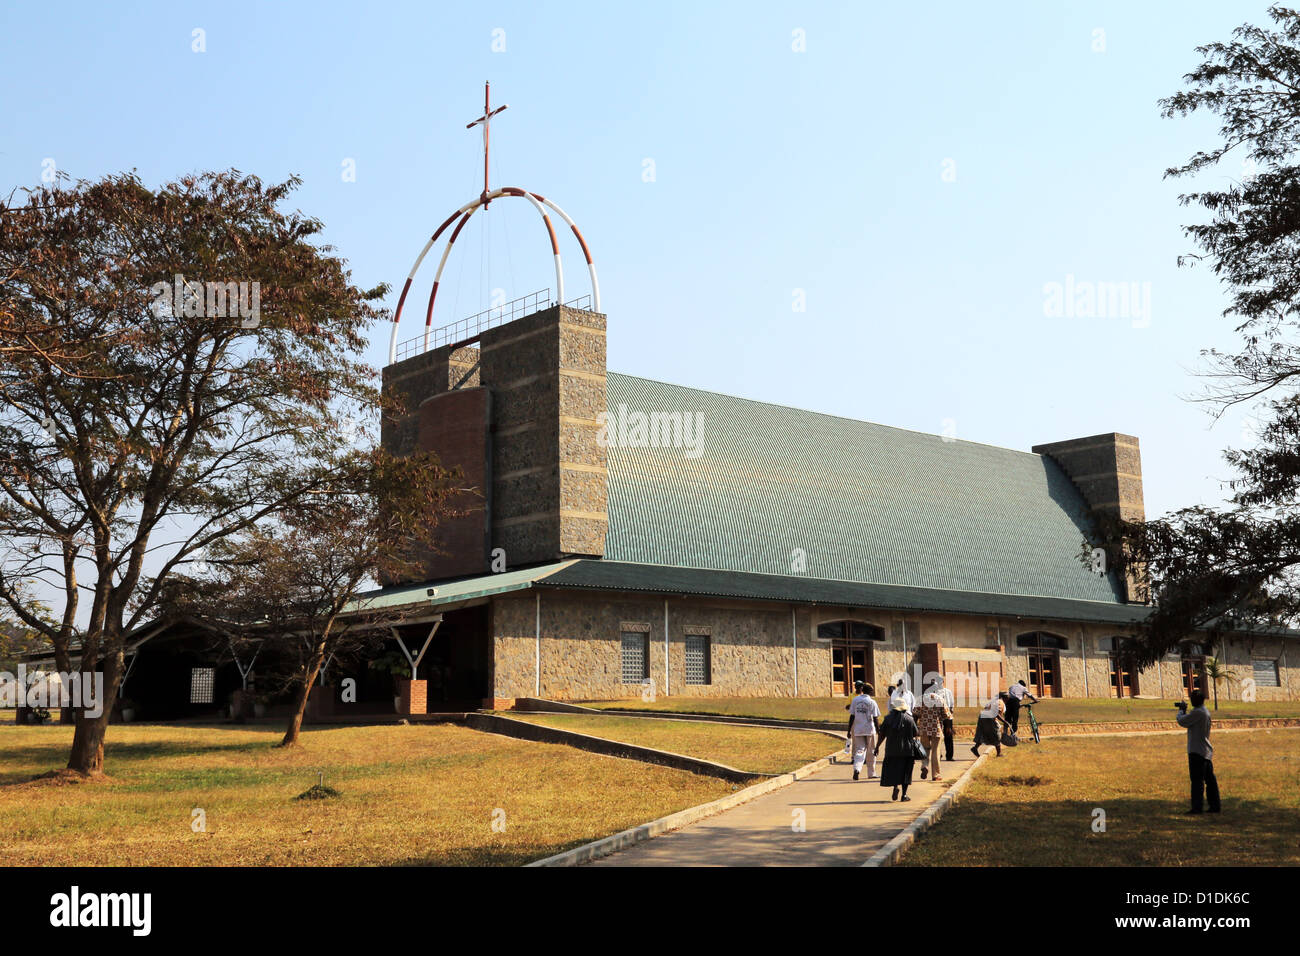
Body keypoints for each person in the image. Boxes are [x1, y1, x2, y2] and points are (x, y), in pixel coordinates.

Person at [1176, 690, 1221, 814]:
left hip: (1197, 751)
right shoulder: (1204, 711)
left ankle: (1197, 808)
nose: (1191, 701)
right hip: (1205, 751)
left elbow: (1182, 721)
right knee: (1210, 781)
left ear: (1196, 700)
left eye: (1192, 699)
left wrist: (1181, 710)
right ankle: (1215, 806)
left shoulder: (1198, 712)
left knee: (1197, 781)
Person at [875, 697, 920, 801]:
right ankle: (904, 795)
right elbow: (916, 733)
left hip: (891, 750)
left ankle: (895, 787)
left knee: (894, 770)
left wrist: (877, 747)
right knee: (906, 772)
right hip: (907, 751)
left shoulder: (888, 719)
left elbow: (882, 735)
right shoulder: (909, 719)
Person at [847, 681, 880, 781]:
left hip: (858, 730)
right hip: (869, 729)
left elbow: (852, 716)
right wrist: (879, 730)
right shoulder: (872, 702)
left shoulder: (855, 700)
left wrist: (848, 730)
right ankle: (871, 773)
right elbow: (875, 718)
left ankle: (857, 769)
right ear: (869, 691)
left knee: (859, 750)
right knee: (871, 751)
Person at [916, 681, 949, 781]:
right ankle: (936, 774)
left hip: (924, 728)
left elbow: (915, 714)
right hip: (936, 729)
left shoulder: (920, 699)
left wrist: (916, 729)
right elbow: (946, 716)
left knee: (925, 749)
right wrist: (948, 728)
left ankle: (924, 766)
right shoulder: (940, 699)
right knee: (935, 751)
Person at [971, 691, 1007, 758]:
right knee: (997, 734)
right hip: (989, 718)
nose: (1008, 699)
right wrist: (1005, 722)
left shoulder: (994, 701)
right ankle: (999, 753)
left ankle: (975, 748)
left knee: (983, 734)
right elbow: (997, 714)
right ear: (1003, 697)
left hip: (983, 716)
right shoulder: (1000, 702)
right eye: (1007, 697)